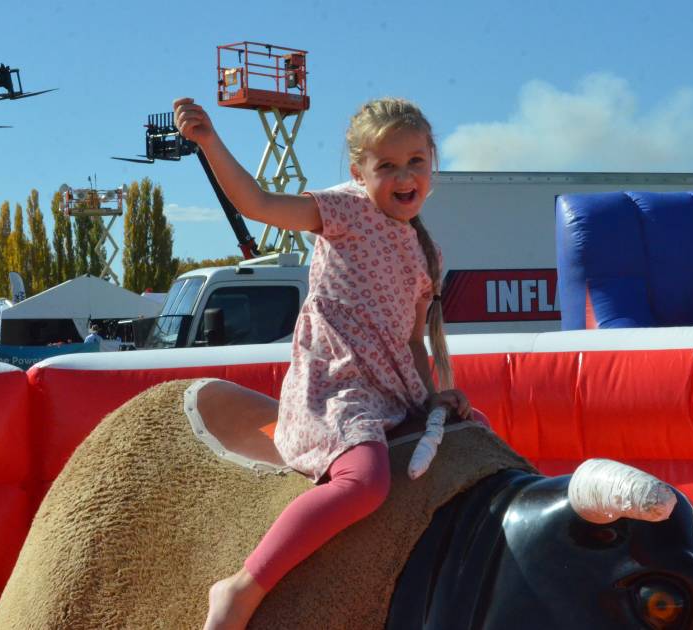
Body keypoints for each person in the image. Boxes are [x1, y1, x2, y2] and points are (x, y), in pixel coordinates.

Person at [173, 95, 473, 630]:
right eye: (386, 166)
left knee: (475, 445)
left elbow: (410, 341)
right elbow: (259, 203)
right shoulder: (344, 209)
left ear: (432, 163)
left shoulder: (428, 254)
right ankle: (241, 589)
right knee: (365, 483)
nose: (404, 176)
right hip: (339, 386)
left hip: (394, 389)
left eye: (416, 162)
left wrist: (433, 397)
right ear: (359, 172)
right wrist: (210, 142)